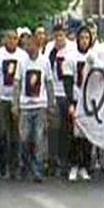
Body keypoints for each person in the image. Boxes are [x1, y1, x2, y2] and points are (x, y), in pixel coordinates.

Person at [12, 37, 55, 182]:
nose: (29, 48)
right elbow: (17, 84)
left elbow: (49, 83)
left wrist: (51, 104)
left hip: (40, 105)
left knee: (38, 138)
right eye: (27, 45)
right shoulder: (22, 62)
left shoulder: (45, 62)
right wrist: (15, 104)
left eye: (31, 45)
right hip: (25, 106)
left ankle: (38, 170)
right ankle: (24, 164)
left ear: (38, 46)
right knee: (24, 138)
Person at [0, 30, 27, 179]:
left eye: (15, 39)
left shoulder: (22, 56)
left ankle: (15, 166)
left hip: (17, 99)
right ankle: (1, 165)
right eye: (9, 38)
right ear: (5, 40)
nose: (12, 41)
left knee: (16, 135)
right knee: (2, 133)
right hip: (2, 99)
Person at [63, 27, 94, 182]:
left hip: (90, 102)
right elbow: (68, 82)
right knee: (74, 136)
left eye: (87, 38)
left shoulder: (94, 57)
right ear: (77, 39)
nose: (84, 40)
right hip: (76, 99)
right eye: (82, 37)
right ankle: (73, 165)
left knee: (87, 136)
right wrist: (70, 103)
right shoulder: (71, 58)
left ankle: (85, 166)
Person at [46, 24, 74, 177]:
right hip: (55, 93)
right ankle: (52, 162)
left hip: (67, 93)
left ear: (66, 35)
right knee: (53, 129)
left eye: (61, 35)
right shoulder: (50, 49)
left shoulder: (72, 48)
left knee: (67, 129)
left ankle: (65, 161)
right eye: (56, 36)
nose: (59, 39)